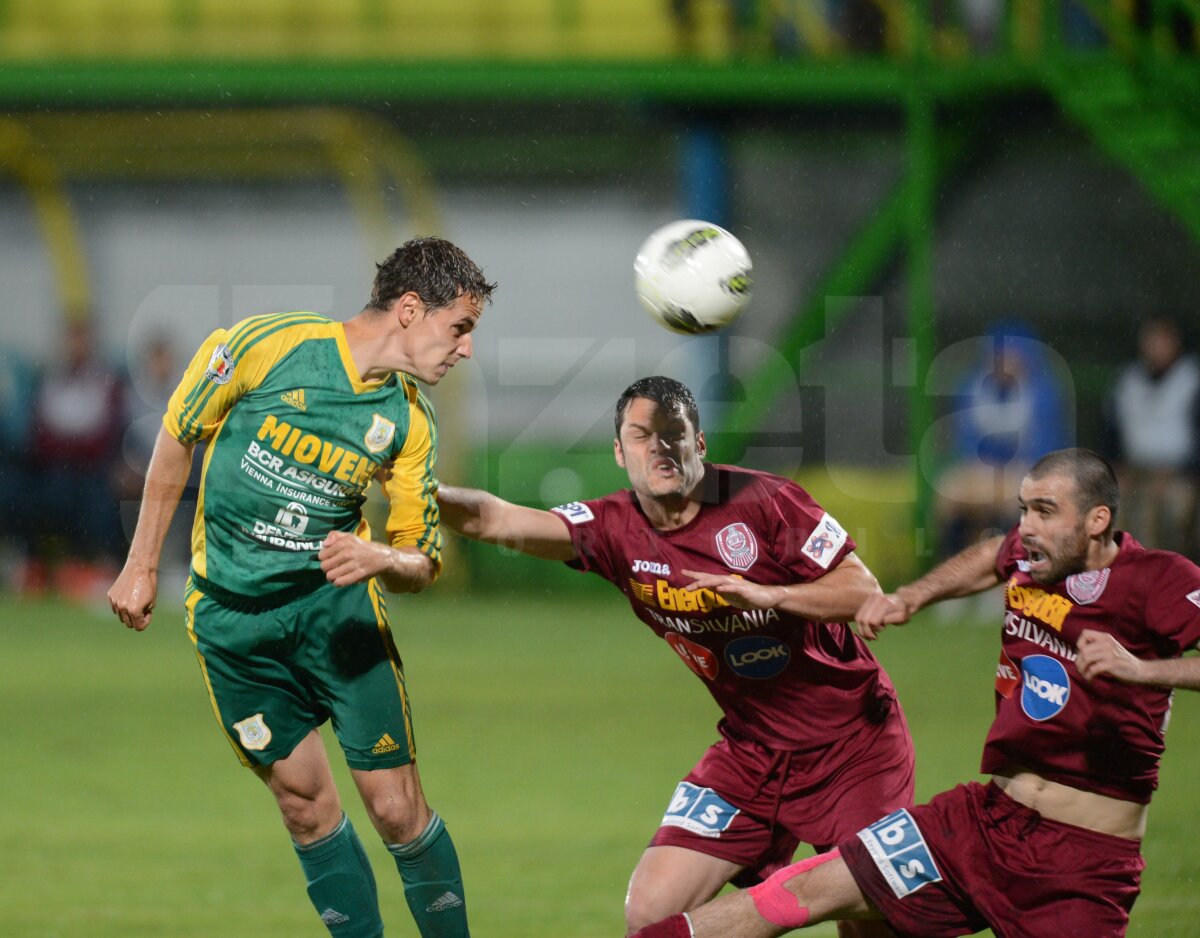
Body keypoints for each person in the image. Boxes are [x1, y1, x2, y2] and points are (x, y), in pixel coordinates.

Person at [632, 448, 1200, 938]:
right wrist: (913, 597)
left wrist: (1143, 671)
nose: (1026, 527)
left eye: (1045, 512)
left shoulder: (1159, 580)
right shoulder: (1034, 557)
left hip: (1081, 864)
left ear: (1098, 519)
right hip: (981, 823)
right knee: (798, 893)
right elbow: (990, 559)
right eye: (1024, 508)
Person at [107, 237, 496, 938]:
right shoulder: (269, 345)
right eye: (459, 328)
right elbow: (176, 433)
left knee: (397, 809)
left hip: (337, 619)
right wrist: (140, 563)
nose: (465, 349)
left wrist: (384, 562)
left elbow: (421, 559)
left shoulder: (408, 422)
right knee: (305, 808)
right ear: (411, 310)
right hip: (233, 624)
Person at [437, 376, 915, 936]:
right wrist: (416, 486)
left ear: (700, 444)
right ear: (619, 452)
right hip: (751, 752)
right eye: (641, 435)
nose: (659, 448)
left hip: (853, 746)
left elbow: (865, 593)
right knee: (650, 912)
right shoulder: (614, 528)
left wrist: (772, 595)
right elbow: (492, 519)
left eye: (673, 433)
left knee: (873, 922)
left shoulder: (764, 501)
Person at [933, 321, 1070, 558]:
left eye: (1012, 355)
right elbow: (965, 441)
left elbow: (1046, 448)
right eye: (999, 355)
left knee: (1017, 498)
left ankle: (1010, 570)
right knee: (949, 493)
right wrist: (984, 469)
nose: (1005, 362)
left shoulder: (1043, 394)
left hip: (1023, 469)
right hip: (981, 469)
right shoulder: (972, 388)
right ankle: (954, 568)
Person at [1103, 317, 1200, 560]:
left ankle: (1174, 573)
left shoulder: (1191, 380)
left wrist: (1182, 471)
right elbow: (1110, 430)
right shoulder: (1127, 379)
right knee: (1113, 505)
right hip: (1135, 470)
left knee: (1173, 508)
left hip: (1180, 473)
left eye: (1162, 341)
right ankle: (1124, 574)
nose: (1155, 347)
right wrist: (1114, 466)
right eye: (1151, 341)